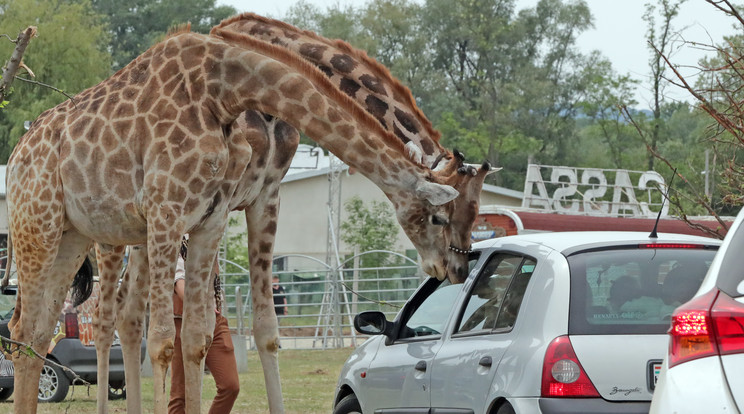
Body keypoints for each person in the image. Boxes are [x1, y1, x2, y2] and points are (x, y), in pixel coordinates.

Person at [169, 238, 239, 414]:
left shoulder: (211, 232)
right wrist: (199, 305)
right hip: (182, 320)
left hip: (215, 319)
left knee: (230, 386)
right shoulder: (176, 237)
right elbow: (178, 281)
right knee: (180, 396)